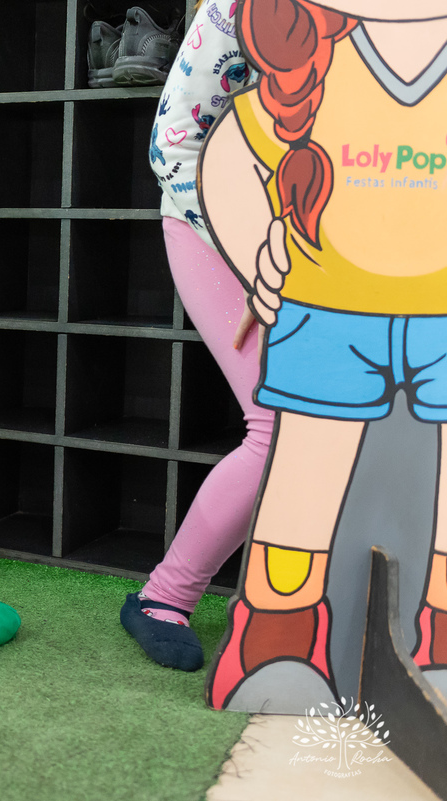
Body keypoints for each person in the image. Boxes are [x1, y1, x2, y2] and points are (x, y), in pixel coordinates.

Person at [200, 0, 447, 709]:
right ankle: (276, 635)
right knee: (307, 468)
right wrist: (257, 255)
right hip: (325, 306)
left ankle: (440, 638)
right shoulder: (315, 63)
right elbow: (233, 152)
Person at [119, 0, 273, 671]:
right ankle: (163, 597)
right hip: (219, 232)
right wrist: (257, 261)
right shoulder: (239, 10)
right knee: (280, 422)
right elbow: (173, 148)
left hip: (338, 252)